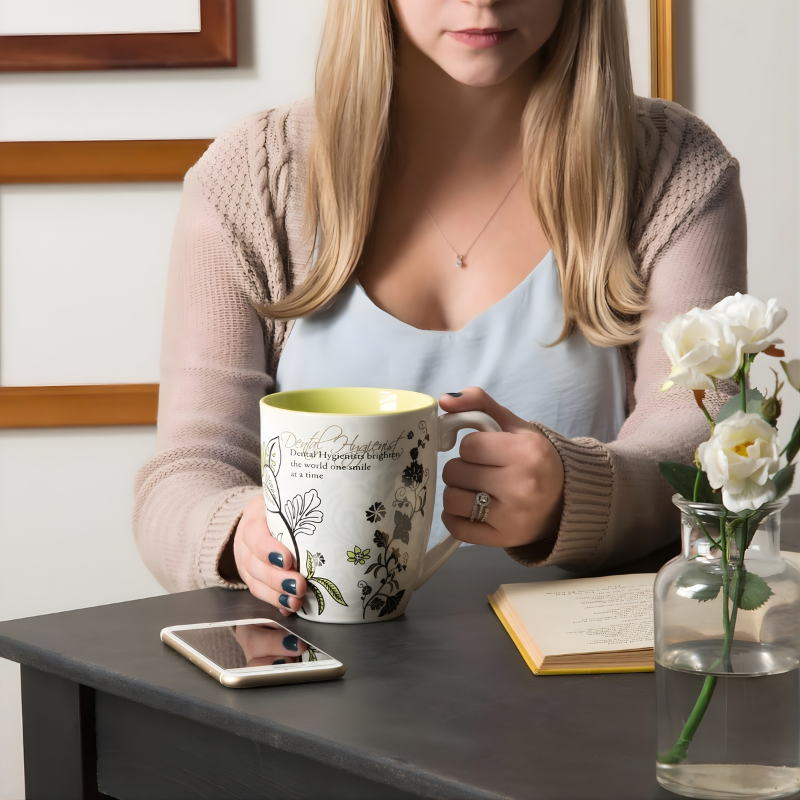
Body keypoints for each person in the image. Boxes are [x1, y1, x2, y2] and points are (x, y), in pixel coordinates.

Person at [134, 0, 746, 617]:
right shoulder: (252, 175)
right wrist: (238, 532)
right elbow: (185, 474)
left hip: (581, 678)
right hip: (316, 672)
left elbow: (698, 436)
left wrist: (573, 490)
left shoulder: (674, 167)